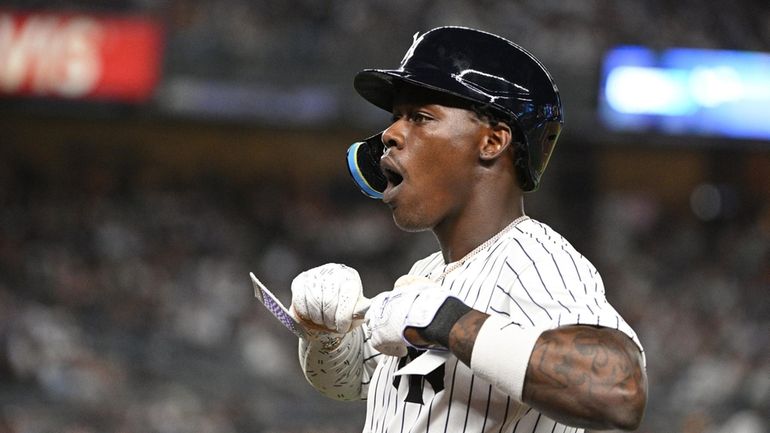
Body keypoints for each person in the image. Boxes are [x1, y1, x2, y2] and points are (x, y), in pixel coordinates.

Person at [289, 26, 647, 432]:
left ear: (492, 141)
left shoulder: (532, 259)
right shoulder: (425, 274)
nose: (389, 133)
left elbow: (621, 391)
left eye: (420, 117)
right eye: (396, 117)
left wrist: (447, 320)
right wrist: (325, 335)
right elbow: (355, 380)